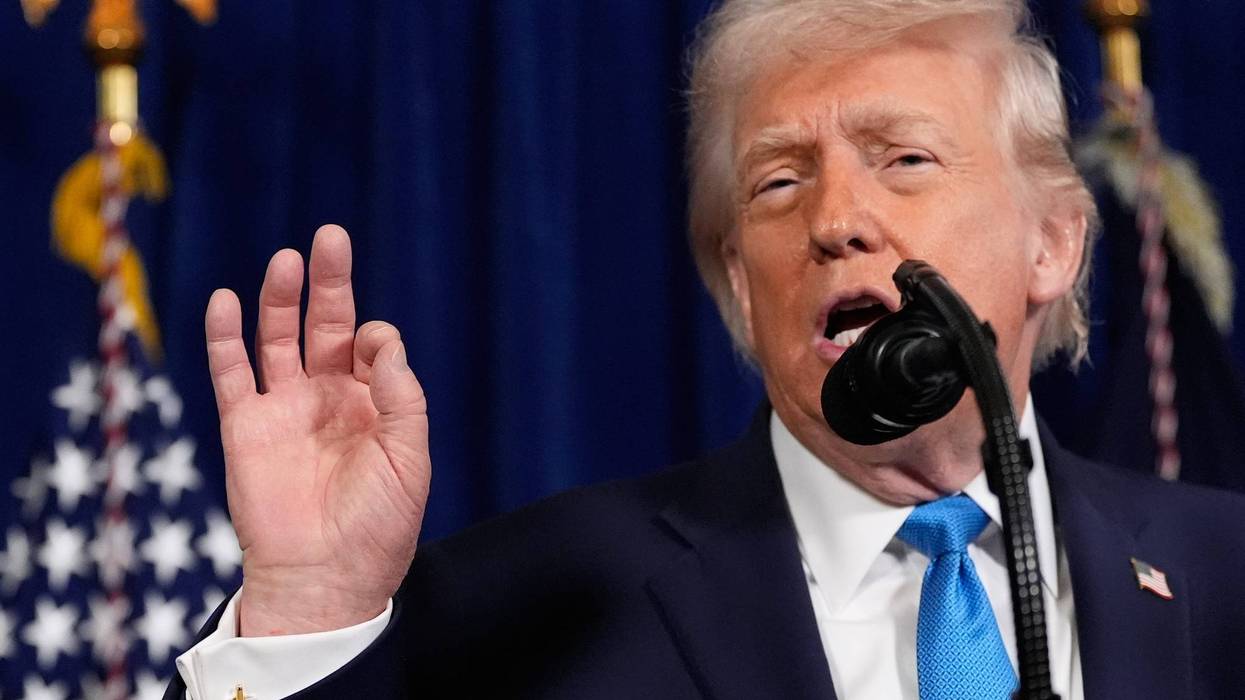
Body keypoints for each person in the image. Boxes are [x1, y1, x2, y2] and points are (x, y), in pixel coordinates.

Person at [167, 0, 1245, 698]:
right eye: (780, 180)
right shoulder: (547, 608)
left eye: (904, 158)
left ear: (1052, 240)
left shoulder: (1225, 575)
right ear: (739, 278)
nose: (837, 220)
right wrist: (309, 611)